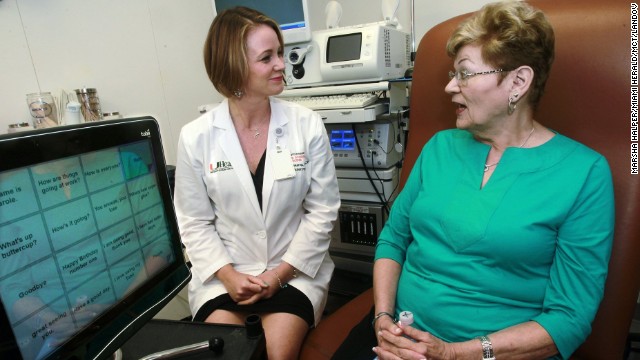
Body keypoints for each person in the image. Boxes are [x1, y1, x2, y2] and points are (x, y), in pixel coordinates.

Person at [334, 1, 614, 359]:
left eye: (464, 74)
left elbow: (568, 319)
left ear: (518, 81)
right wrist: (384, 318)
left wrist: (454, 353)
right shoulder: (439, 148)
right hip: (397, 335)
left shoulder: (584, 174)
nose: (450, 86)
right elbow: (393, 240)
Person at [173, 6, 340, 360]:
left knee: (275, 354)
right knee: (232, 354)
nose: (282, 63)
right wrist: (228, 274)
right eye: (267, 57)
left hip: (293, 272)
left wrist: (278, 276)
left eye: (279, 52)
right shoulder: (196, 137)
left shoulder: (306, 125)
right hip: (225, 277)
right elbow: (193, 221)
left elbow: (323, 211)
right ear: (234, 66)